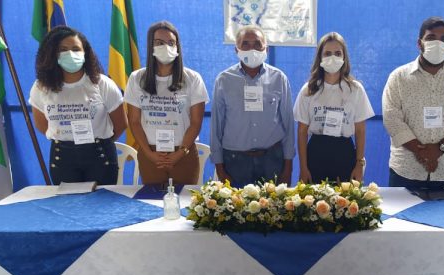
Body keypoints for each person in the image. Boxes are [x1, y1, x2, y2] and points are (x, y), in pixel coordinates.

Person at [382, 16, 444, 189]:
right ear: (420, 43)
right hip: (406, 170)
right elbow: (392, 119)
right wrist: (422, 152)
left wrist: (439, 149)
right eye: (431, 38)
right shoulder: (399, 77)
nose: (438, 43)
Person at [29, 26, 126, 185]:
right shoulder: (41, 87)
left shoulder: (102, 83)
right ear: (52, 53)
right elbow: (41, 124)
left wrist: (96, 141)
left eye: (76, 49)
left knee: (102, 201)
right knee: (68, 201)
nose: (70, 54)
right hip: (62, 157)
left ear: (85, 53)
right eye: (63, 49)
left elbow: (121, 123)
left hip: (100, 155)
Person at [125, 21, 208, 186]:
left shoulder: (192, 78)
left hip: (183, 153)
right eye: (159, 43)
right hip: (150, 154)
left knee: (186, 200)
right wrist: (149, 153)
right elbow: (134, 121)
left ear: (177, 47)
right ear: (151, 46)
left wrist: (180, 153)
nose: (166, 47)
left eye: (171, 43)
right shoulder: (136, 78)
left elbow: (196, 122)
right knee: (151, 200)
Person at [210, 25, 294, 187]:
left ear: (266, 49)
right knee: (235, 204)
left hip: (272, 159)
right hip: (235, 161)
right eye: (245, 44)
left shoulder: (279, 78)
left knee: (274, 204)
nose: (251, 49)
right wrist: (219, 168)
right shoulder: (224, 80)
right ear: (236, 49)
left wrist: (288, 167)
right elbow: (216, 126)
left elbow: (289, 124)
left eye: (257, 44)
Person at [293, 32, 374, 184]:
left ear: (344, 57)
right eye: (327, 53)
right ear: (320, 57)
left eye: (337, 53)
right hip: (316, 153)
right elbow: (302, 131)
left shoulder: (355, 89)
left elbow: (360, 130)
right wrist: (303, 167)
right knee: (314, 198)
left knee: (345, 198)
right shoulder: (308, 90)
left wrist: (359, 164)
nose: (332, 58)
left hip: (344, 152)